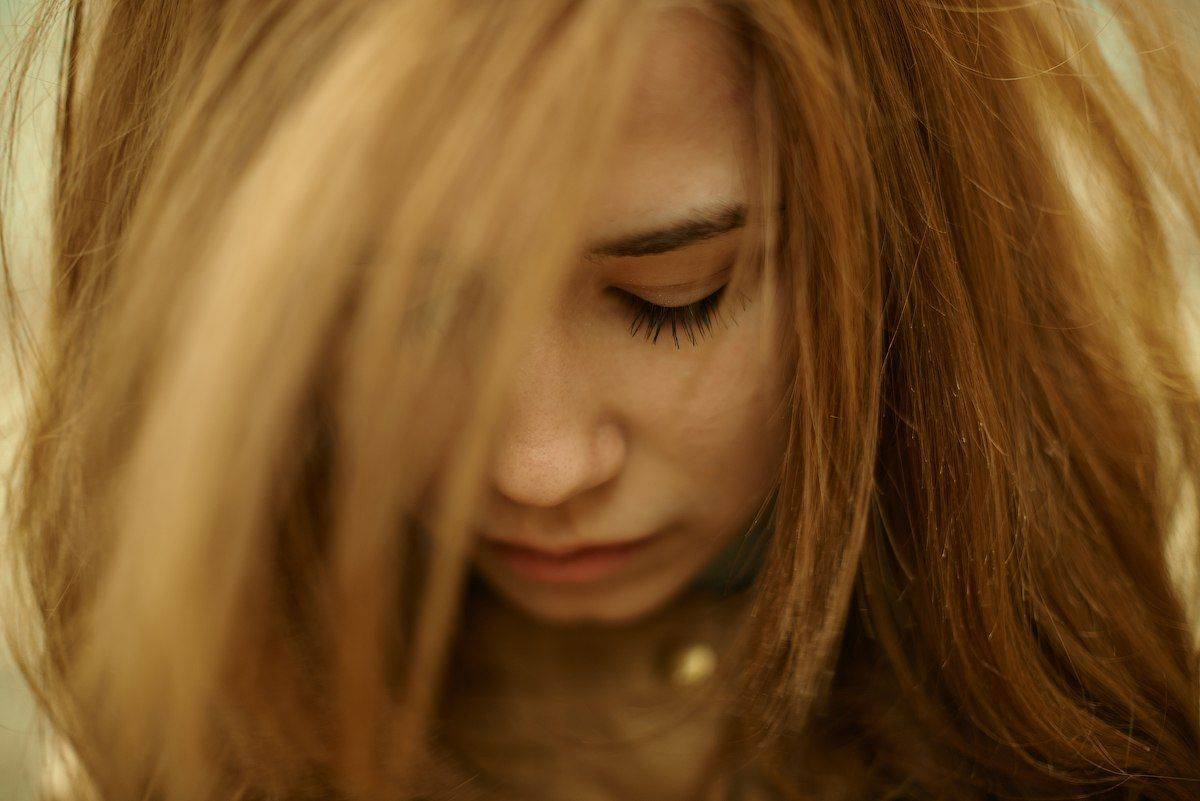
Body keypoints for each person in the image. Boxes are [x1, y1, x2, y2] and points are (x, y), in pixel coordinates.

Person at [3, 0, 1200, 799]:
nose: (538, 466)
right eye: (395, 310)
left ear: (903, 237)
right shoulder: (166, 728)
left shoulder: (1145, 632)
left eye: (676, 298)